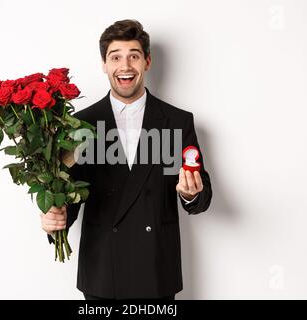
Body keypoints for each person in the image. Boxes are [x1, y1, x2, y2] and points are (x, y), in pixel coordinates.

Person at [40, 19, 212, 300]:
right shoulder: (80, 125)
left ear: (147, 62)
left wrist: (191, 194)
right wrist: (54, 219)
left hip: (156, 270)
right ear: (104, 65)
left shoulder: (177, 121)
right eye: (115, 57)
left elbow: (201, 197)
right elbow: (69, 194)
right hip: (102, 272)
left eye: (133, 56)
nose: (125, 65)